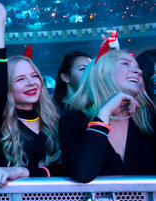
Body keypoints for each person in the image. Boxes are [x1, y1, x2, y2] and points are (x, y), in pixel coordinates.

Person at [0, 0, 63, 188]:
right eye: (20, 79)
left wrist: (24, 172)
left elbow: (67, 167)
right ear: (7, 87)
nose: (30, 83)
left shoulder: (57, 117)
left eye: (34, 76)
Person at [59, 47, 155, 183]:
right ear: (102, 73)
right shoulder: (73, 121)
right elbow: (83, 173)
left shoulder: (149, 119)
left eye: (138, 67)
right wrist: (105, 113)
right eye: (125, 64)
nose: (138, 71)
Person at [54, 51, 91, 115]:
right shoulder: (55, 113)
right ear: (65, 77)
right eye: (83, 69)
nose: (90, 73)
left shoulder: (93, 109)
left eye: (92, 69)